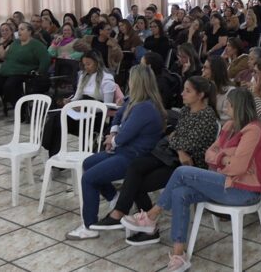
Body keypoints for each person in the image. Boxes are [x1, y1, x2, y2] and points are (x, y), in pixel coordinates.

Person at [119, 87, 261, 271]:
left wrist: (221, 158)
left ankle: (151, 216)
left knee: (183, 172)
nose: (225, 108)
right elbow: (209, 154)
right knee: (180, 193)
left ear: (239, 107)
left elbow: (237, 166)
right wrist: (226, 157)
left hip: (244, 191)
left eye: (229, 105)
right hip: (225, 182)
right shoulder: (229, 126)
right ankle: (179, 254)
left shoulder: (253, 130)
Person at [88, 76, 220, 245]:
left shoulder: (207, 117)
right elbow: (173, 136)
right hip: (171, 155)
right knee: (135, 165)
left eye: (187, 91)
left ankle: (145, 226)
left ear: (200, 95)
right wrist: (179, 148)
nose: (182, 94)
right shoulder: (186, 111)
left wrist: (176, 143)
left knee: (137, 184)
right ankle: (121, 212)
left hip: (188, 166)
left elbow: (190, 144)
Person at [65, 64, 165, 241]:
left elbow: (125, 135)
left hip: (133, 157)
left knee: (88, 179)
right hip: (123, 150)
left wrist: (113, 141)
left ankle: (89, 226)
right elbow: (119, 116)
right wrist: (112, 134)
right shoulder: (135, 101)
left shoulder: (145, 107)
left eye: (130, 80)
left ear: (137, 82)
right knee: (88, 163)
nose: (128, 83)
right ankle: (114, 197)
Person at [41, 51, 117, 157]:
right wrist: (70, 102)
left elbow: (107, 106)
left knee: (58, 120)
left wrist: (85, 108)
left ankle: (46, 146)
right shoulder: (83, 75)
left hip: (95, 115)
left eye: (88, 64)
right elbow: (77, 97)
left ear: (97, 63)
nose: (86, 67)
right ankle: (55, 154)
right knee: (57, 119)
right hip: (81, 112)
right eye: (84, 64)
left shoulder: (107, 79)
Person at [0, 23, 50, 118]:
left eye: (22, 29)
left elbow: (45, 59)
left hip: (22, 72)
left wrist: (39, 72)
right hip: (7, 71)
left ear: (29, 32)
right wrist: (1, 45)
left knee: (9, 87)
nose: (19, 32)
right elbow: (5, 56)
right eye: (18, 29)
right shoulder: (16, 43)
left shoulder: (37, 45)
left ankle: (21, 113)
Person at [202, 55, 235, 122]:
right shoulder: (205, 88)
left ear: (215, 70)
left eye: (205, 68)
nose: (202, 70)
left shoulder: (231, 92)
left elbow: (228, 119)